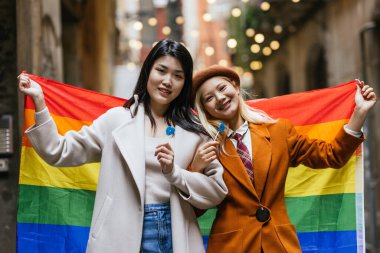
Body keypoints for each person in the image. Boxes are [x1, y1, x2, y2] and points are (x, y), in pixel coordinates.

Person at [18, 40, 227, 253]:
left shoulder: (195, 132)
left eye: (178, 76)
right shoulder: (116, 120)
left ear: (184, 84)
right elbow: (58, 151)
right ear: (147, 71)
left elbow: (216, 192)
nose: (167, 81)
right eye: (161, 70)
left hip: (177, 234)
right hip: (119, 233)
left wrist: (176, 174)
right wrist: (40, 102)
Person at [190, 65, 377, 253]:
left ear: (236, 87)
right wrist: (196, 169)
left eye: (222, 88)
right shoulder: (205, 147)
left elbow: (332, 155)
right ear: (204, 108)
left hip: (279, 244)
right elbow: (194, 210)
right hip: (230, 247)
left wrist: (359, 113)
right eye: (209, 98)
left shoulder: (279, 131)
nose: (220, 98)